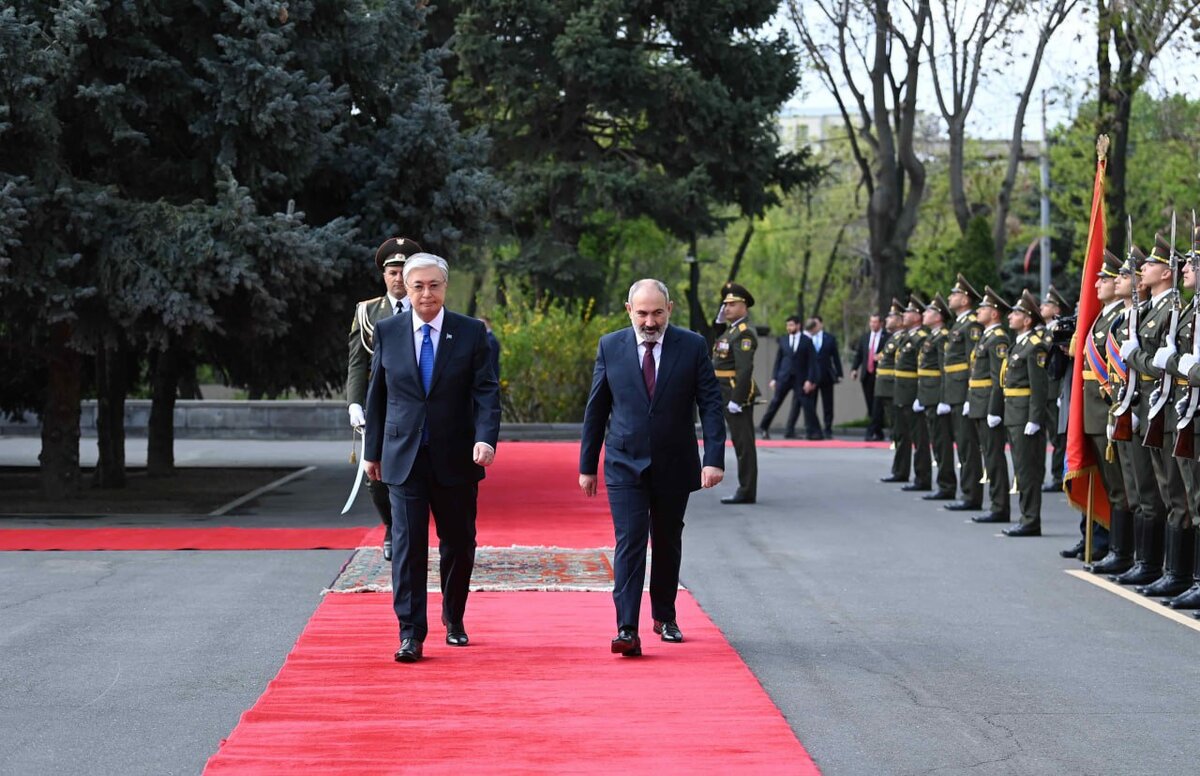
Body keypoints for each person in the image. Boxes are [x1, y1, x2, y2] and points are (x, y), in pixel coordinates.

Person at [363, 253, 502, 664]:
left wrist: (485, 439)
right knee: (408, 546)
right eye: (418, 286)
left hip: (457, 456)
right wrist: (372, 451)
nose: (427, 293)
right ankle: (411, 633)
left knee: (459, 543)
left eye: (434, 285)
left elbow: (487, 392)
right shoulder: (387, 331)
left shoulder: (471, 332)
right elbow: (378, 395)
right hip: (403, 455)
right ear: (406, 287)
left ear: (445, 287)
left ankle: (454, 618)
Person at [579, 279, 726, 657]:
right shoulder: (611, 346)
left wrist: (713, 459)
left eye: (657, 313)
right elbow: (597, 408)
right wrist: (587, 465)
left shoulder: (691, 346)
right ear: (629, 310)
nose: (649, 321)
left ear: (669, 310)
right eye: (642, 313)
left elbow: (710, 403)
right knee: (630, 540)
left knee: (666, 539)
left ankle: (664, 614)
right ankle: (626, 627)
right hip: (624, 461)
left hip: (675, 461)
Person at [1121, 233, 1190, 595]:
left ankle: (1178, 574)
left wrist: (1134, 356)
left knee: (1177, 495)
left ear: (1167, 273)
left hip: (1168, 404)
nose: (1143, 268)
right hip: (1149, 406)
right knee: (1161, 492)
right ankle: (1159, 567)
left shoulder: (1172, 309)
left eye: (1150, 263)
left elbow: (1162, 365)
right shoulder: (1149, 310)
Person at [347, 236, 422, 561]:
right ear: (384, 275)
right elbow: (357, 361)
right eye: (392, 271)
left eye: (403, 270)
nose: (397, 276)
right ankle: (391, 526)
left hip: (416, 402)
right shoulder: (367, 312)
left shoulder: (427, 307)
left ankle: (409, 531)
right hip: (380, 405)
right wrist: (354, 402)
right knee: (374, 474)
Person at [1070, 250, 1128, 565]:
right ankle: (1113, 547)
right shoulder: (1102, 317)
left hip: (1108, 409)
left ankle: (1122, 551)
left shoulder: (1119, 318)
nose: (1098, 285)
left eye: (1106, 279)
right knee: (1111, 485)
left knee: (1122, 487)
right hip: (1093, 411)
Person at [1001, 289, 1050, 537]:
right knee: (1020, 469)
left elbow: (1039, 388)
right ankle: (1025, 516)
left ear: (1028, 319)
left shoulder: (1034, 347)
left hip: (1024, 417)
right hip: (1013, 414)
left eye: (1016, 313)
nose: (1010, 316)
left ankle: (1031, 519)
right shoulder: (1018, 345)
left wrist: (1034, 419)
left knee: (1028, 470)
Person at [967, 286, 1011, 524]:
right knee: (988, 456)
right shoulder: (986, 337)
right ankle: (995, 503)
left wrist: (995, 409)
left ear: (994, 314)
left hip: (987, 406)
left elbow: (998, 378)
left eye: (983, 308)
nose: (979, 310)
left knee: (994, 457)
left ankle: (999, 506)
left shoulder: (998, 339)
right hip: (978, 402)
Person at [713, 283, 759, 504]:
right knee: (738, 442)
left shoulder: (744, 333)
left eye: (732, 304)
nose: (727, 308)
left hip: (733, 393)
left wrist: (737, 399)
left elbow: (744, 369)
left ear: (744, 307)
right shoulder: (730, 331)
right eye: (725, 304)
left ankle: (747, 490)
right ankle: (745, 488)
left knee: (743, 444)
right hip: (721, 391)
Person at [943, 275, 984, 513]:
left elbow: (973, 363)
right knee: (962, 445)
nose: (950, 297)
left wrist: (969, 396)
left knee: (968, 446)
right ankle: (966, 491)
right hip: (954, 391)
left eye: (955, 294)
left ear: (965, 299)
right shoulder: (959, 324)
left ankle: (971, 494)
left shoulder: (971, 325)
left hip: (964, 392)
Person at [916, 294, 957, 501]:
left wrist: (943, 398)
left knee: (941, 442)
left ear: (939, 316)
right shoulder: (932, 336)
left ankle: (947, 484)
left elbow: (944, 370)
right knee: (936, 442)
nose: (924, 314)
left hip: (936, 396)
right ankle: (943, 483)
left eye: (929, 311)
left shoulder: (942, 337)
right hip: (928, 395)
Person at [893, 294, 932, 491]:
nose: (905, 315)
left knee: (919, 438)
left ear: (917, 317)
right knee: (904, 434)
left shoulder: (921, 338)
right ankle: (905, 472)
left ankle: (922, 477)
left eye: (909, 311)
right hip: (903, 392)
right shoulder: (907, 337)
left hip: (912, 393)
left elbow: (921, 369)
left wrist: (920, 395)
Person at [759, 315, 817, 439]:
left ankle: (812, 432)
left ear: (798, 325)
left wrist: (810, 380)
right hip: (784, 377)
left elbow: (812, 362)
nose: (788, 328)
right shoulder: (783, 340)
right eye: (787, 325)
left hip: (800, 379)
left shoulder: (807, 341)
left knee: (806, 404)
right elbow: (778, 360)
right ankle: (764, 427)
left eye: (791, 325)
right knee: (775, 402)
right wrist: (774, 378)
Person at [1040, 286, 1070, 492]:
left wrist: (1061, 392)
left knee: (1058, 436)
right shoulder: (1043, 330)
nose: (1042, 307)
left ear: (1057, 308)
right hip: (1043, 390)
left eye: (1048, 304)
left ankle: (1058, 475)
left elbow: (1062, 364)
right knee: (1051, 435)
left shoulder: (1059, 329)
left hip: (1053, 390)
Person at [878, 299, 909, 482]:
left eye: (891, 316)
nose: (887, 319)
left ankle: (901, 471)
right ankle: (898, 469)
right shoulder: (893, 338)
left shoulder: (902, 338)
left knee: (900, 432)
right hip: (887, 389)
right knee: (896, 432)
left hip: (894, 389)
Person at [850, 313, 889, 441]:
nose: (873, 324)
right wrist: (854, 369)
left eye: (875, 322)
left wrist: (881, 357)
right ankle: (878, 432)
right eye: (871, 322)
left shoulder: (887, 337)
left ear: (881, 323)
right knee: (870, 404)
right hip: (867, 374)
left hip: (880, 375)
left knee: (877, 404)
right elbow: (859, 355)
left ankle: (870, 431)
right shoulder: (865, 337)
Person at [807, 315, 843, 439]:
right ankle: (812, 428)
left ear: (821, 324)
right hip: (812, 376)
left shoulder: (829, 338)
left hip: (826, 375)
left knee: (828, 404)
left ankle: (828, 428)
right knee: (811, 403)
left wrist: (839, 373)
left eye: (815, 324)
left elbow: (835, 357)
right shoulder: (807, 338)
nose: (813, 327)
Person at [479, 315, 501, 381]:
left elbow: (490, 362)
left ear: (488, 324)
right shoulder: (484, 338)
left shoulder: (491, 340)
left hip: (489, 379)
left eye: (481, 323)